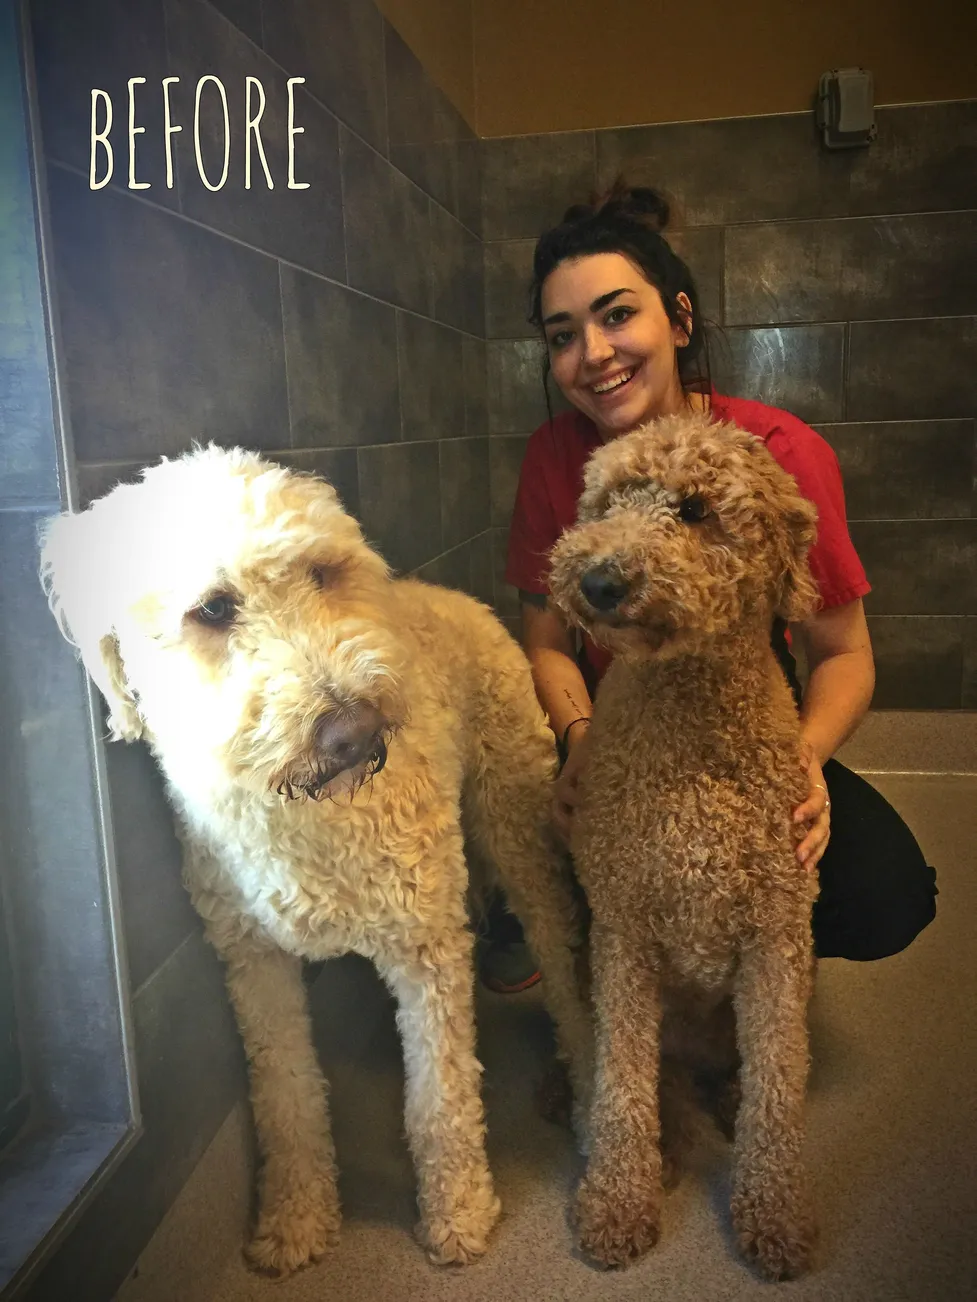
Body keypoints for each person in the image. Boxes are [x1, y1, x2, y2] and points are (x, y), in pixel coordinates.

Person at [478, 182, 937, 994]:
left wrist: (802, 763)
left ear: (679, 320)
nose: (592, 354)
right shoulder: (552, 458)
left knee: (885, 896)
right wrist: (579, 743)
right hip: (616, 727)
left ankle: (731, 962)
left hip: (741, 727)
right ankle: (611, 932)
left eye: (617, 315)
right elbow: (546, 643)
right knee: (533, 883)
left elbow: (844, 653)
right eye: (563, 335)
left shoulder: (778, 451)